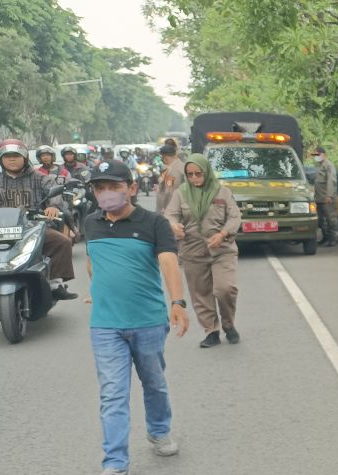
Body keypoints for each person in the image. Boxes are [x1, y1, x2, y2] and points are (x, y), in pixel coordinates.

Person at [84, 159, 189, 475]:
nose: (106, 194)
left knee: (154, 382)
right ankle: (115, 461)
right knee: (112, 393)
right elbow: (92, 261)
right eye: (99, 188)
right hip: (105, 325)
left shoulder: (153, 223)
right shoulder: (91, 223)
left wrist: (178, 302)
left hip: (148, 321)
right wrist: (98, 286)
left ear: (131, 188)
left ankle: (158, 430)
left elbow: (169, 262)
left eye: (113, 187)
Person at [0, 139, 77, 300]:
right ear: (0, 159)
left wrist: (53, 207)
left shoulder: (40, 178)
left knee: (61, 242)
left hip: (32, 227)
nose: (12, 159)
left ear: (25, 157)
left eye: (16, 155)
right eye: (7, 156)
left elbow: (54, 194)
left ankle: (55, 284)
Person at [165, 154, 242, 348]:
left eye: (198, 174)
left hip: (222, 250)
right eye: (190, 175)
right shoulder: (181, 193)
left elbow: (235, 217)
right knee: (200, 294)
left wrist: (223, 233)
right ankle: (211, 330)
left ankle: (228, 324)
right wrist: (174, 225)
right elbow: (170, 215)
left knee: (225, 289)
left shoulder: (222, 192)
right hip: (193, 250)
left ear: (206, 172)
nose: (194, 178)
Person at [312, 146, 338, 247]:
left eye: (317, 155)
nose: (316, 157)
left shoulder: (329, 165)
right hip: (319, 198)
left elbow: (331, 181)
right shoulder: (320, 166)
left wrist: (329, 195)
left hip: (326, 198)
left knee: (331, 219)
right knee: (320, 220)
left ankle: (333, 238)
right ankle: (325, 237)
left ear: (323, 154)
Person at [155, 144, 185, 215]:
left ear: (164, 157)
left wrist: (165, 207)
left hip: (171, 209)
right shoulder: (181, 166)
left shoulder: (173, 171)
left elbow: (169, 191)